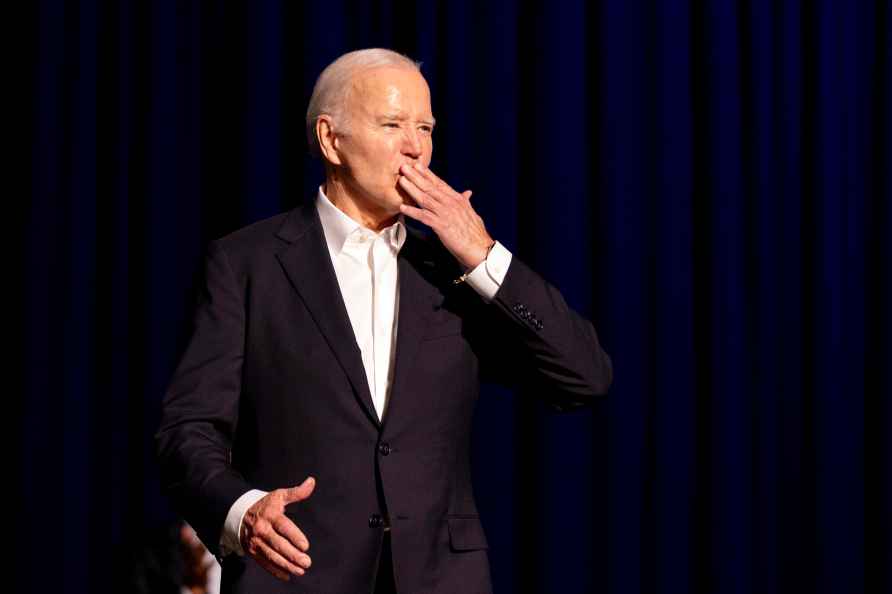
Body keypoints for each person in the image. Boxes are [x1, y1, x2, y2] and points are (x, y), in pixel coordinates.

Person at [156, 48, 612, 594]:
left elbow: (585, 375)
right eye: (393, 124)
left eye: (426, 127)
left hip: (440, 579)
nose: (416, 147)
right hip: (296, 577)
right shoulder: (245, 264)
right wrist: (243, 510)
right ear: (331, 140)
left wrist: (484, 255)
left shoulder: (451, 270)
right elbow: (188, 431)